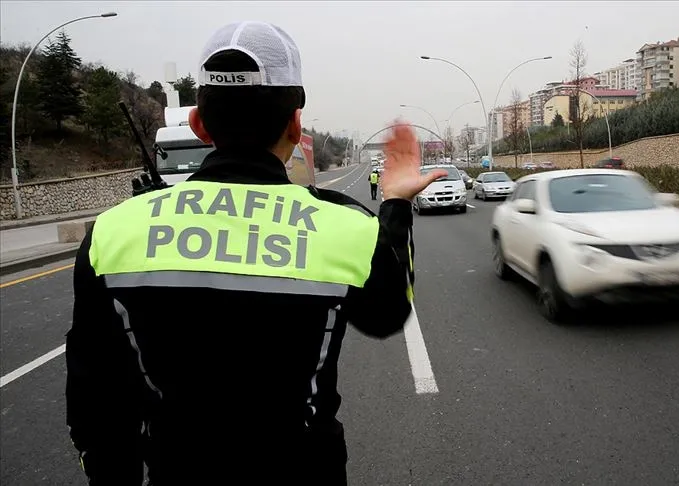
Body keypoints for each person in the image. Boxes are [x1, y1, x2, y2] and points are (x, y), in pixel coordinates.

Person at [65, 21, 446, 486]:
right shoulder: (347, 229)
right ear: (294, 123)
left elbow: (97, 401)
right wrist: (395, 205)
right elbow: (388, 314)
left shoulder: (112, 233)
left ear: (200, 124)